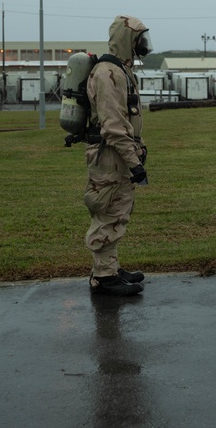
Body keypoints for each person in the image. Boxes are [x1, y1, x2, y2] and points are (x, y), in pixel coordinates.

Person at [83, 16, 152, 296]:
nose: (144, 44)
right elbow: (113, 126)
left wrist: (138, 150)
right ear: (127, 39)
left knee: (117, 212)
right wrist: (134, 162)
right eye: (139, 38)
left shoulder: (119, 70)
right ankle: (103, 277)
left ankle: (109, 268)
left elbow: (129, 119)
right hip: (110, 156)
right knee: (108, 212)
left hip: (117, 155)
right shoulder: (107, 73)